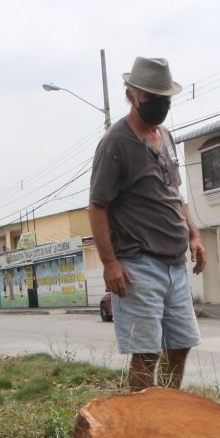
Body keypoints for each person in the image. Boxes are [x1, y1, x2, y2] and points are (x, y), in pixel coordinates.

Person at [89, 56, 206, 392]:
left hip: (175, 266)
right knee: (146, 353)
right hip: (138, 265)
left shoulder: (165, 136)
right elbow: (97, 207)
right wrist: (110, 263)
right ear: (132, 96)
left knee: (181, 344)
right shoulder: (115, 143)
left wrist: (194, 235)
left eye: (165, 98)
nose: (160, 105)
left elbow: (175, 194)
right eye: (152, 98)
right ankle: (141, 423)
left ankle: (166, 410)